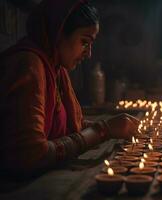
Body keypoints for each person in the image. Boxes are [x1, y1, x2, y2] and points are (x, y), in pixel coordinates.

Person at [0, 0, 138, 177]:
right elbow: (31, 154)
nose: (88, 54)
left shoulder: (56, 69)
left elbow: (73, 126)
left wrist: (112, 128)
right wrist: (104, 129)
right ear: (58, 33)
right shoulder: (28, 65)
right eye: (84, 42)